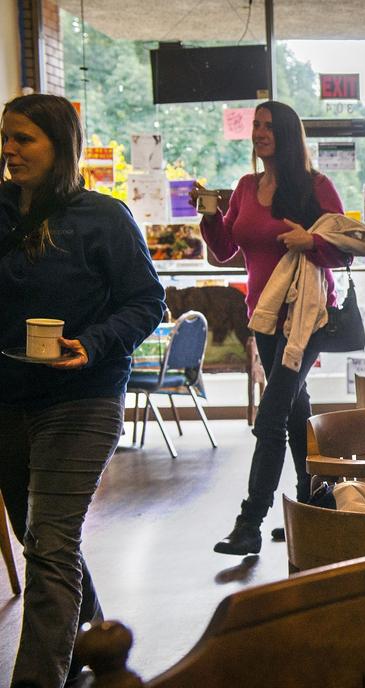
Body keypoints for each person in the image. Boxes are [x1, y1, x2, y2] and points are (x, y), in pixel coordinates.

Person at [0, 93, 165, 688]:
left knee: (50, 541)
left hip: (82, 396)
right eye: (6, 137)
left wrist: (93, 343)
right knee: (41, 539)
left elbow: (148, 301)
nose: (10, 150)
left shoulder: (103, 216)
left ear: (59, 145)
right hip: (8, 398)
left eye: (24, 138)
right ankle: (98, 648)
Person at [192, 100, 350, 556]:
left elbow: (345, 250)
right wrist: (209, 214)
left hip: (307, 317)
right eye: (255, 125)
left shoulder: (316, 187)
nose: (259, 132)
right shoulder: (245, 187)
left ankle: (250, 523)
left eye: (267, 126)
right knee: (295, 408)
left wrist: (312, 240)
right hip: (262, 316)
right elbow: (224, 251)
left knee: (272, 414)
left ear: (286, 133)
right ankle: (312, 508)